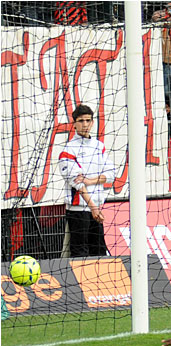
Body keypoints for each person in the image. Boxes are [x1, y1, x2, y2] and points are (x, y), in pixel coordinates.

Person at [59, 104, 116, 257]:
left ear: (92, 122)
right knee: (79, 252)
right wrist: (93, 207)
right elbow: (77, 183)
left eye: (88, 120)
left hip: (96, 207)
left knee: (99, 251)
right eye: (81, 121)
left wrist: (90, 181)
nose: (85, 124)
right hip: (79, 209)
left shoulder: (99, 146)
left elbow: (111, 173)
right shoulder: (68, 150)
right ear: (74, 124)